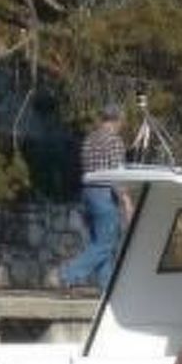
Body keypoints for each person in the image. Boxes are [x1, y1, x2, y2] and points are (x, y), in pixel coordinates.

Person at [57, 102, 129, 291]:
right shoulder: (114, 141)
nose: (123, 124)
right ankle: (69, 274)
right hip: (105, 195)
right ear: (116, 120)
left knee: (100, 242)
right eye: (122, 120)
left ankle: (107, 288)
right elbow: (117, 174)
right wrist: (127, 202)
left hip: (87, 193)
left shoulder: (89, 140)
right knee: (106, 244)